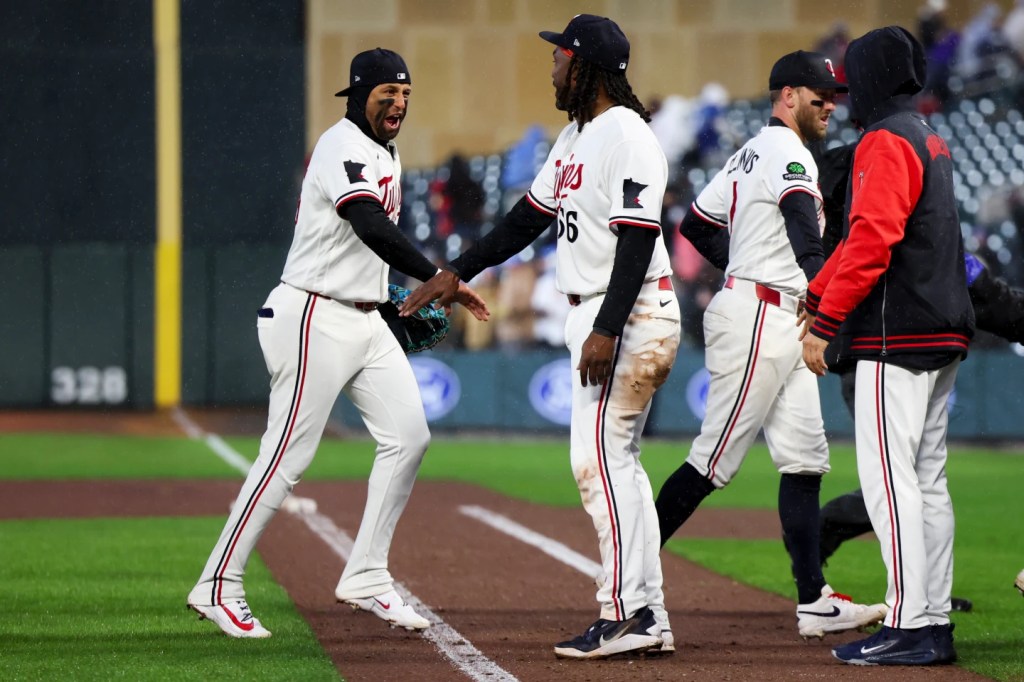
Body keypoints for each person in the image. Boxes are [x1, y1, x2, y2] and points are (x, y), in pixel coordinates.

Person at [401, 14, 681, 660]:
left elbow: (639, 238)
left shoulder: (627, 135)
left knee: (597, 466)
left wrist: (608, 327)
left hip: (629, 311)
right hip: (605, 311)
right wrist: (455, 272)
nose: (552, 65)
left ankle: (622, 613)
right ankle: (648, 611)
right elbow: (524, 220)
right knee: (620, 469)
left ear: (584, 67)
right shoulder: (577, 135)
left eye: (560, 57)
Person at [185, 48, 489, 638]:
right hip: (311, 313)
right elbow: (369, 224)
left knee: (409, 437)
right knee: (287, 455)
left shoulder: (385, 153)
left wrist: (403, 292)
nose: (399, 101)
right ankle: (217, 583)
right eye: (387, 92)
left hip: (364, 317)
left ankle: (368, 576)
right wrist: (435, 277)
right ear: (358, 93)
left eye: (405, 92)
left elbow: (370, 242)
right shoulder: (340, 145)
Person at [654, 49, 887, 641]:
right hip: (763, 314)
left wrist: (747, 268)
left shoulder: (749, 151)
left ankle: (814, 601)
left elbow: (697, 225)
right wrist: (814, 285)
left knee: (805, 458)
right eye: (819, 93)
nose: (830, 103)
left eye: (834, 94)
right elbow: (804, 234)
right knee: (713, 461)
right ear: (788, 94)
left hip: (774, 307)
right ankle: (627, 578)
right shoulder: (786, 152)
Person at [801, 26, 974, 666]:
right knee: (927, 480)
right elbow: (868, 240)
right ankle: (930, 621)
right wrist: (819, 294)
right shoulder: (929, 137)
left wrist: (824, 325)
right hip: (943, 327)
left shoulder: (883, 139)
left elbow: (871, 239)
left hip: (895, 333)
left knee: (889, 479)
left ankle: (908, 623)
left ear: (867, 78)